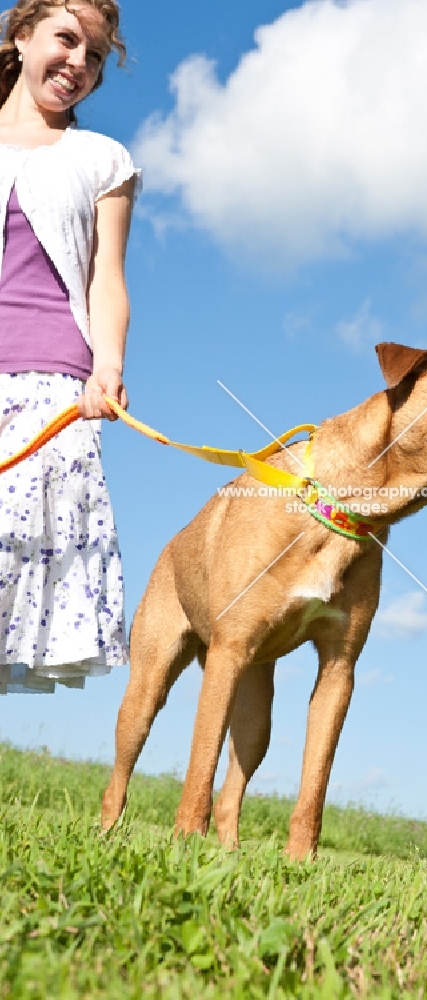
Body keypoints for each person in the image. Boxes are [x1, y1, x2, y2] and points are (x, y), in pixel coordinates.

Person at [0, 0, 140, 694]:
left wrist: (106, 368)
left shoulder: (101, 159)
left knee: (11, 570)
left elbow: (106, 279)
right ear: (20, 35)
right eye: (66, 39)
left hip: (51, 392)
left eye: (94, 53)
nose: (79, 62)